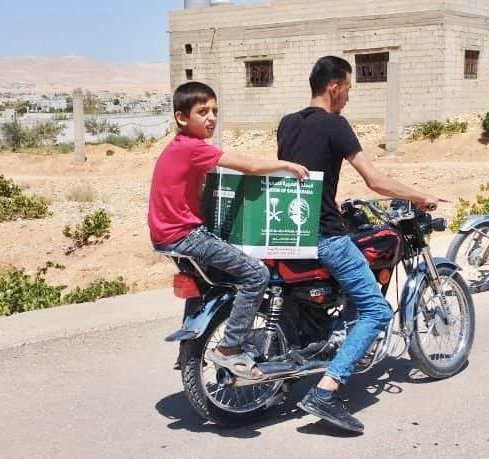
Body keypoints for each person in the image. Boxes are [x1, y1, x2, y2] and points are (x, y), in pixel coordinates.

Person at [277, 56, 442, 433]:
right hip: (325, 236)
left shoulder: (287, 123)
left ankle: (326, 343)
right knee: (376, 310)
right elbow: (374, 180)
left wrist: (329, 200)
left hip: (290, 231)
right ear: (334, 87)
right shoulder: (335, 124)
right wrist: (419, 196)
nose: (349, 96)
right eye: (349, 89)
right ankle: (327, 390)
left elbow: (300, 176)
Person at [149, 81, 308, 378]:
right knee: (256, 274)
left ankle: (187, 349)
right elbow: (248, 166)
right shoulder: (193, 147)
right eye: (202, 112)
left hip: (165, 235)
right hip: (186, 235)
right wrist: (285, 165)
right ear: (181, 117)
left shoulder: (178, 146)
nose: (211, 117)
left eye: (214, 111)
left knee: (204, 283)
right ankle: (229, 348)